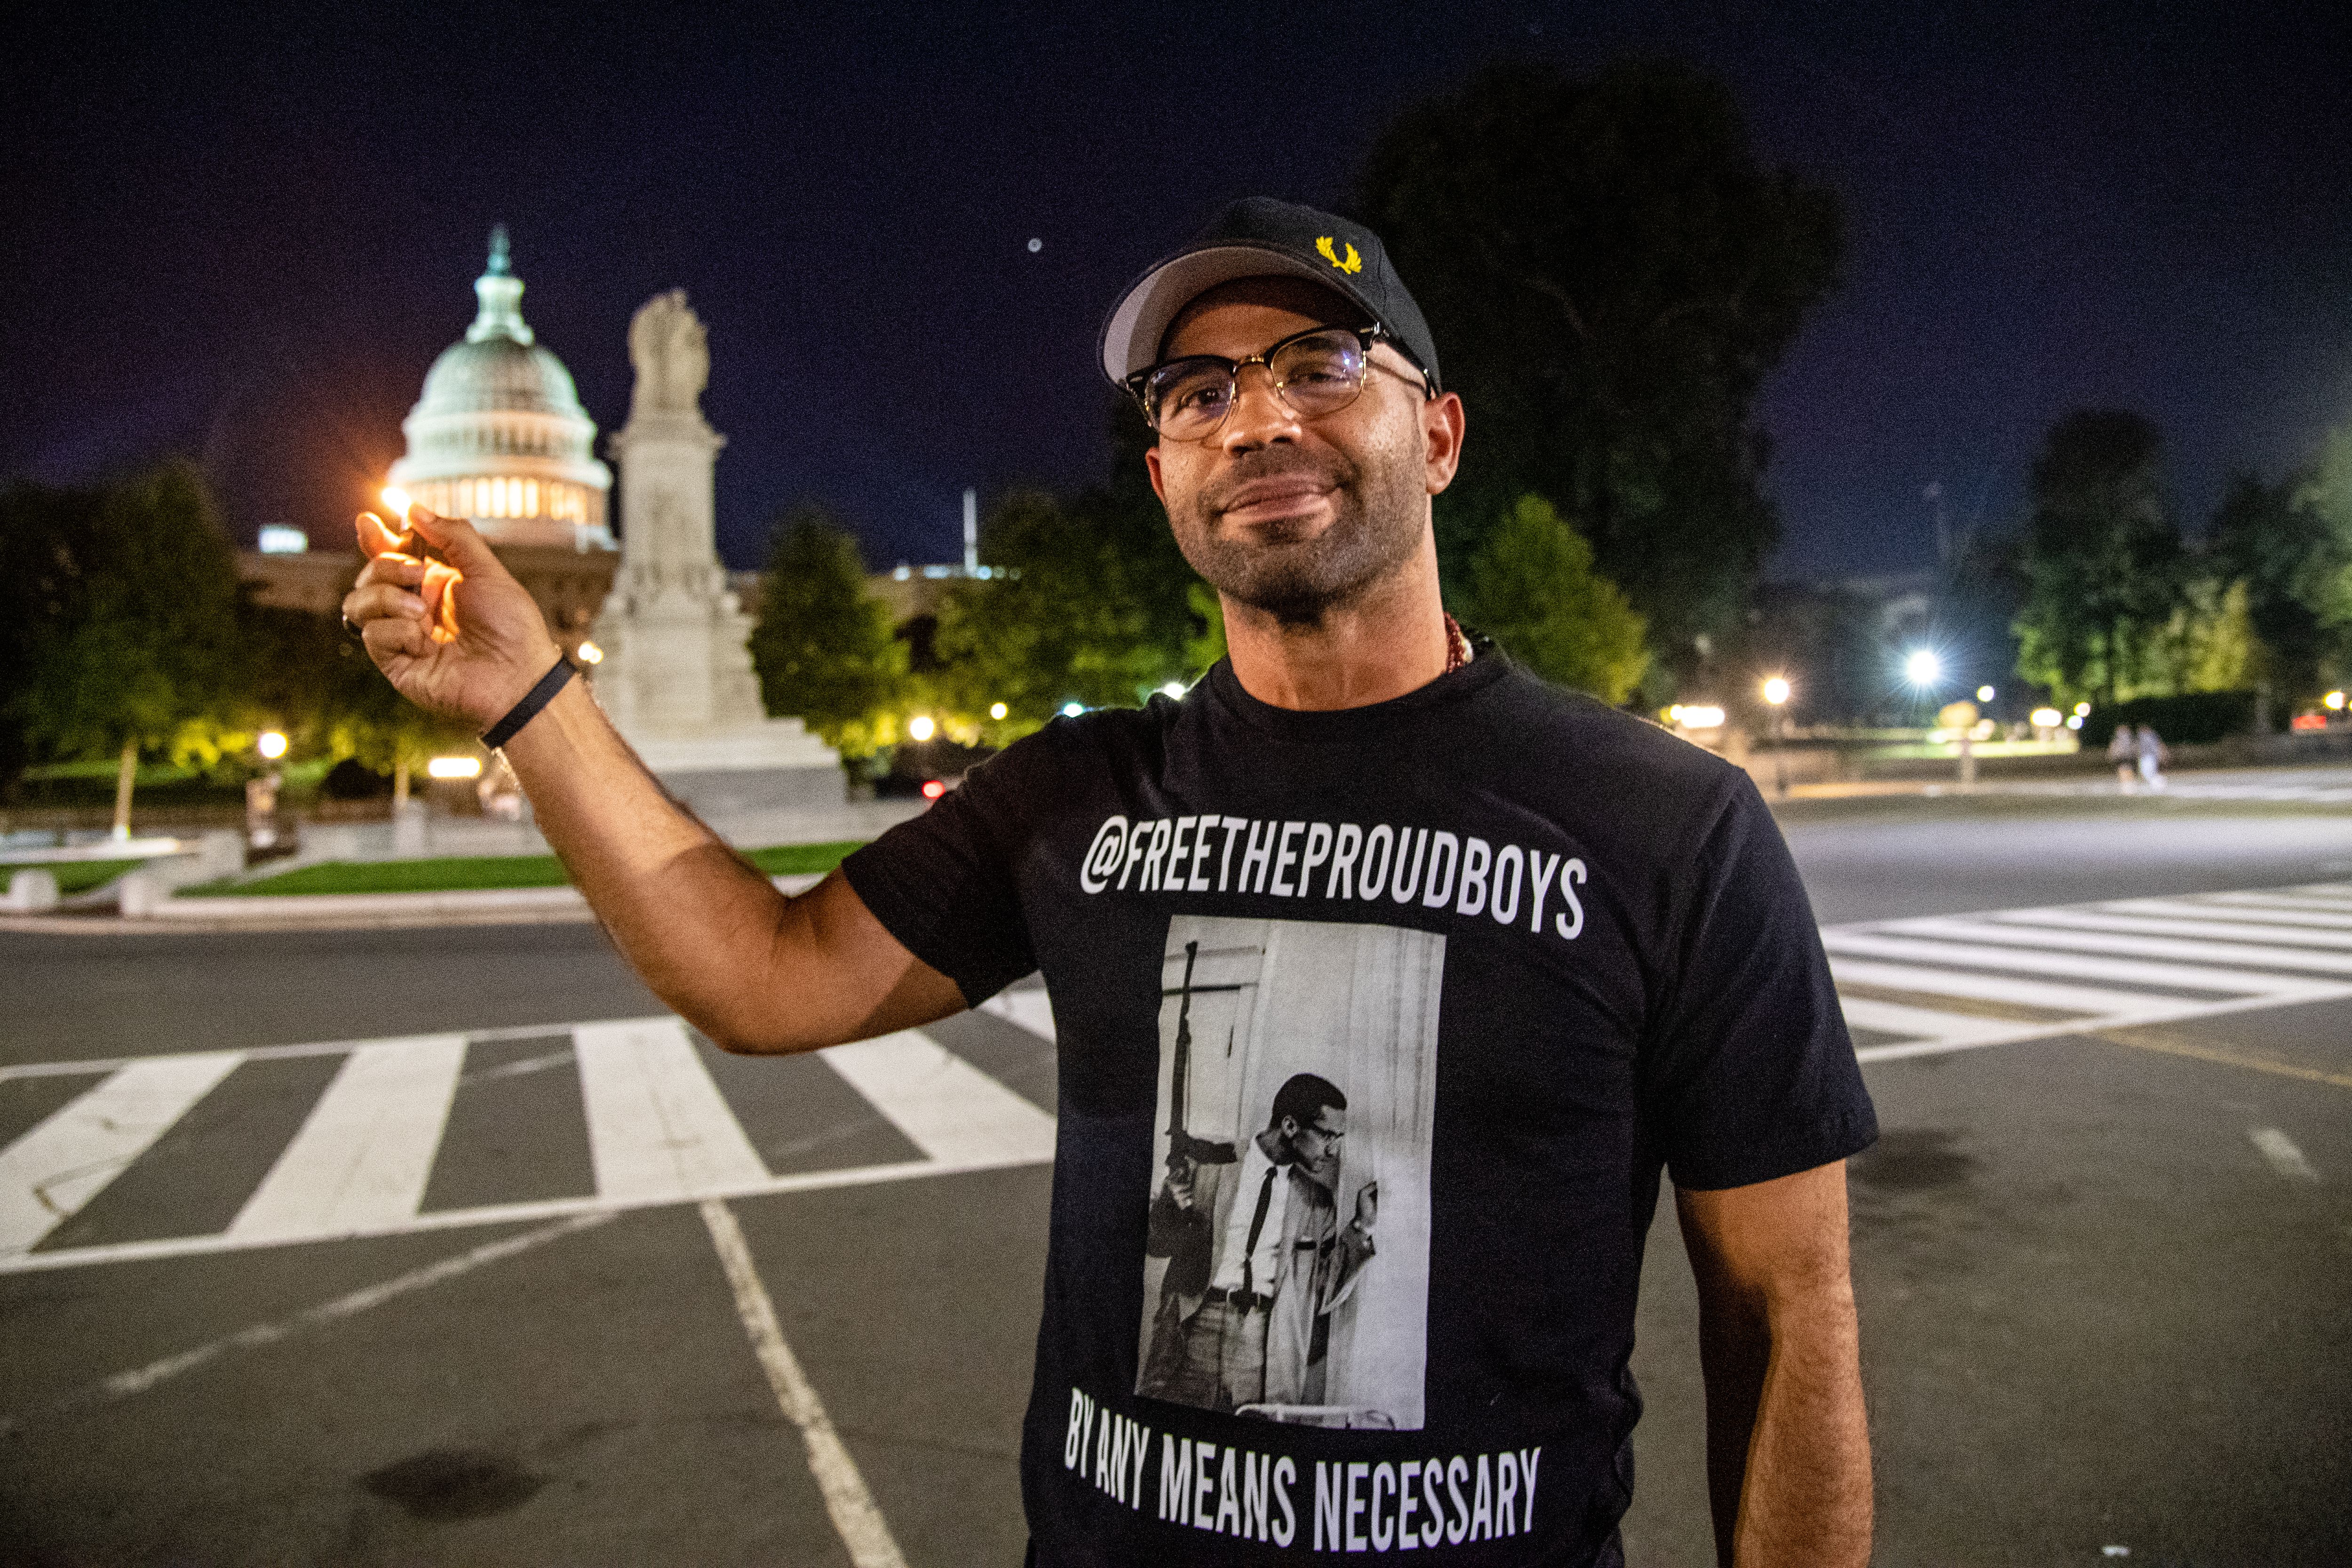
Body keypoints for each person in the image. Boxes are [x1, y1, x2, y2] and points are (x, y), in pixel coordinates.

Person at [344, 196, 1876, 1567]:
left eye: (1322, 364)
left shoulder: (1668, 824)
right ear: (1164, 475)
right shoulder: (1072, 797)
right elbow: (762, 971)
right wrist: (534, 700)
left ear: (1446, 434)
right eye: (1199, 391)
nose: (1256, 418)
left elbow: (1785, 1320)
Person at [1140, 1073, 1377, 1418]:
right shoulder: (1208, 1161)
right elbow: (1156, 1245)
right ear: (1291, 1125)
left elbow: (1323, 1294)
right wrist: (1168, 1210)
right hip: (1195, 1322)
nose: (1334, 1150)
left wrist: (1362, 1226)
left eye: (1339, 1138)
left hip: (1264, 1341)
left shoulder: (1317, 1203)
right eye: (1328, 1135)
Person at [2137, 723, 2169, 789]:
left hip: (2150, 757)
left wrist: (2160, 755)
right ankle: (2158, 784)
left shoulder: (2150, 737)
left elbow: (2156, 747)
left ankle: (2160, 782)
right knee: (2146, 774)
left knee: (2149, 773)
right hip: (2145, 757)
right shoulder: (2143, 737)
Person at [2109, 723, 2138, 789]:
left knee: (2128, 774)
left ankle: (2129, 788)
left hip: (2128, 760)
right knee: (2124, 774)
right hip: (2122, 760)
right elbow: (2113, 751)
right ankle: (2127, 788)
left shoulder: (2130, 741)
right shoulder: (2117, 741)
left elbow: (2135, 750)